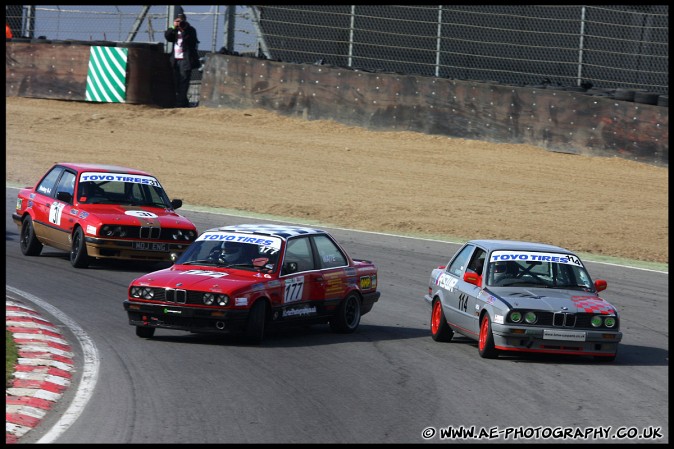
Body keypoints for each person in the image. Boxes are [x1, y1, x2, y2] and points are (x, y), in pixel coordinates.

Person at [164, 13, 199, 107]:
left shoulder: (190, 30)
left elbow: (191, 41)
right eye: (178, 21)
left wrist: (184, 29)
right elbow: (167, 37)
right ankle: (183, 102)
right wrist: (173, 27)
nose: (180, 23)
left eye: (181, 21)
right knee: (175, 80)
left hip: (185, 59)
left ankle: (180, 103)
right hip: (175, 59)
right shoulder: (174, 30)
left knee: (184, 81)